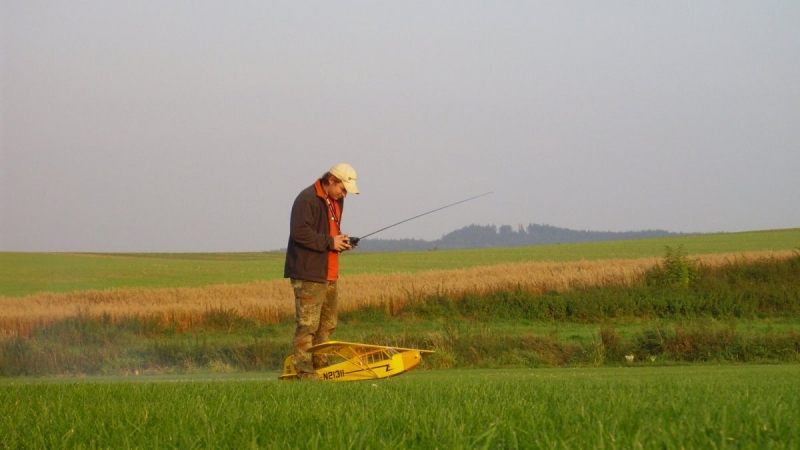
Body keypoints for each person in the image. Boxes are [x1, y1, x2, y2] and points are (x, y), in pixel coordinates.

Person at [284, 163, 360, 380]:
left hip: (329, 271)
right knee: (308, 325)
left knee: (327, 325)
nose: (344, 193)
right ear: (331, 180)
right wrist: (330, 242)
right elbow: (299, 233)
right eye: (342, 188)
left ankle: (322, 368)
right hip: (308, 273)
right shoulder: (306, 198)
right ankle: (304, 372)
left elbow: (328, 233)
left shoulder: (337, 200)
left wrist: (341, 242)